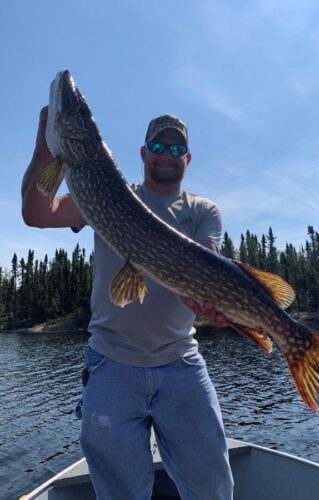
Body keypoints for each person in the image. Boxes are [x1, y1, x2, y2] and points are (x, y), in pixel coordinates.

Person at [22, 108, 234, 499]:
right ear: (142, 153)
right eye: (158, 145)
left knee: (212, 487)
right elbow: (36, 213)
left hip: (181, 363)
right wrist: (44, 141)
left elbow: (203, 272)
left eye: (176, 147)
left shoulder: (203, 211)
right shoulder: (109, 192)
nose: (166, 153)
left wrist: (217, 304)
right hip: (110, 365)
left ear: (187, 157)